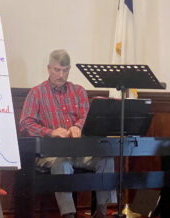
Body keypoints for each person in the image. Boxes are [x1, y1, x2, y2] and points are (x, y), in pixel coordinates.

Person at [19, 49, 115, 218]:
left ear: (69, 70)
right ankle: (68, 214)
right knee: (62, 163)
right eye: (57, 70)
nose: (61, 75)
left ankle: (102, 211)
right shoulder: (37, 93)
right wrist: (50, 132)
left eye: (65, 70)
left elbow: (87, 117)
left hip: (78, 151)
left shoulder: (78, 91)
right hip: (50, 153)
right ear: (48, 69)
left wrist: (78, 126)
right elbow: (25, 124)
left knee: (106, 158)